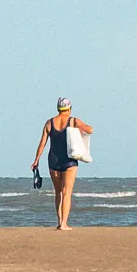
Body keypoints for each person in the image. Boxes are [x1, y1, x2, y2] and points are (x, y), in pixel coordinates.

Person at [31, 97, 95, 229]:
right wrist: (81, 129)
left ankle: (59, 222)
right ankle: (64, 224)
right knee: (67, 192)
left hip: (53, 159)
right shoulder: (73, 121)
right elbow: (90, 130)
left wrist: (36, 160)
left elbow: (42, 143)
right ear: (69, 108)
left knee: (58, 192)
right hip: (69, 160)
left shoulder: (49, 123)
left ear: (58, 108)